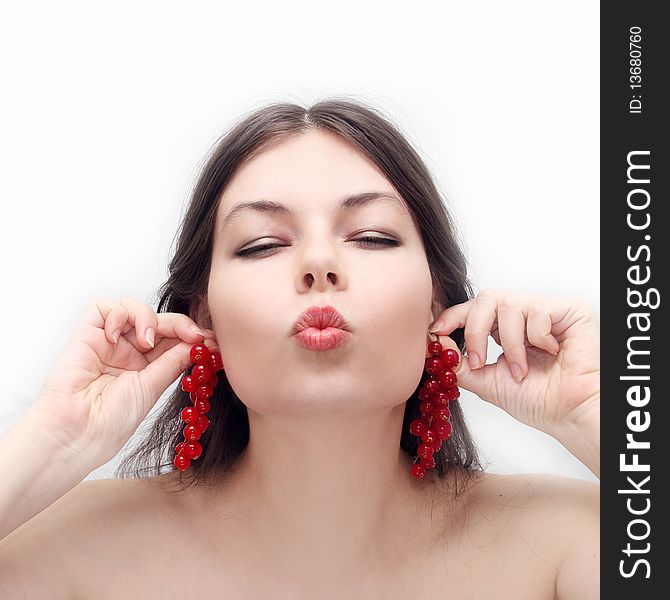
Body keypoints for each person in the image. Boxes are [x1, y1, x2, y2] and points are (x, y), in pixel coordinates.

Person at [0, 98, 599, 598]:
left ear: (438, 308)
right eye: (261, 244)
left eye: (370, 236)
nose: (318, 264)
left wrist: (601, 414)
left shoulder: (569, 545)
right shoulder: (68, 553)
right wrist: (54, 439)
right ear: (203, 318)